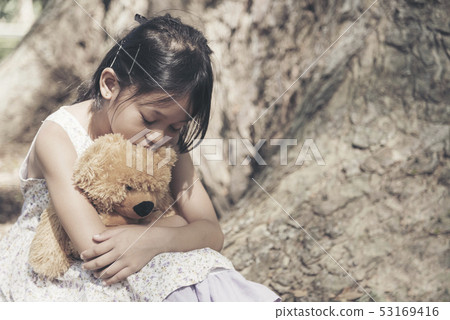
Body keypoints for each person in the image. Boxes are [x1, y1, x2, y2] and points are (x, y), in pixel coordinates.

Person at [0, 13, 281, 302]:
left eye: (175, 126)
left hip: (139, 254)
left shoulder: (170, 144)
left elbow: (211, 231)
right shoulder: (58, 137)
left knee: (208, 271)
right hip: (60, 271)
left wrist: (155, 239)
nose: (159, 137)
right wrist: (177, 226)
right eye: (149, 119)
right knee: (172, 273)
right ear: (110, 85)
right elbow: (95, 246)